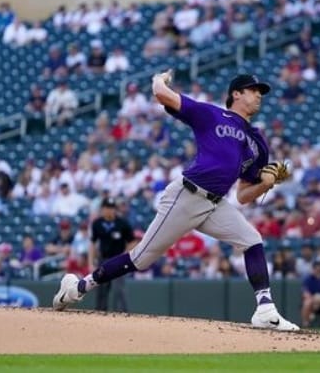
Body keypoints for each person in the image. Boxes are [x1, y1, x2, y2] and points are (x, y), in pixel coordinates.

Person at [53, 71, 300, 331]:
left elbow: (242, 195)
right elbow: (162, 94)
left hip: (215, 204)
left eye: (260, 91)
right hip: (187, 195)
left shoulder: (258, 142)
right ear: (236, 94)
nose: (258, 94)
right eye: (253, 89)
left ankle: (265, 309)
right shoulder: (212, 114)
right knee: (140, 259)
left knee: (252, 240)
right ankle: (78, 288)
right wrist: (159, 79)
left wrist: (264, 184)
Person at [90, 198, 136, 312]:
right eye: (107, 208)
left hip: (118, 260)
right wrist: (91, 262)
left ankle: (123, 314)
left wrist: (125, 255)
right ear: (102, 209)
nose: (109, 210)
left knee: (119, 289)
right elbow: (92, 243)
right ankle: (100, 312)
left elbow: (132, 241)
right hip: (103, 259)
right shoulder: (97, 223)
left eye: (111, 208)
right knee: (101, 289)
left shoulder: (122, 223)